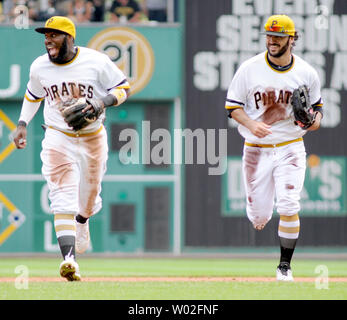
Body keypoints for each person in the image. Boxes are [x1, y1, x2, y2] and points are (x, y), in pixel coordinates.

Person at [13, 16, 130, 281]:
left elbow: (124, 88)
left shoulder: (96, 61)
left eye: (53, 35)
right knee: (62, 195)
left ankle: (82, 220)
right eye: (45, 36)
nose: (47, 41)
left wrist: (102, 103)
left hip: (92, 135)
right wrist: (22, 123)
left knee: (88, 198)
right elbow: (33, 95)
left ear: (69, 37)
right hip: (57, 135)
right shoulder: (39, 66)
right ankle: (69, 260)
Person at [224, 15, 323, 281]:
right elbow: (232, 107)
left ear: (292, 39)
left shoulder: (306, 72)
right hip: (256, 148)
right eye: (269, 35)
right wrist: (251, 125)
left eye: (278, 37)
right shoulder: (249, 68)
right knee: (259, 216)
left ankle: (284, 267)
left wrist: (312, 122)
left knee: (290, 205)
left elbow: (317, 113)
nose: (272, 41)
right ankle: (259, 215)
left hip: (291, 146)